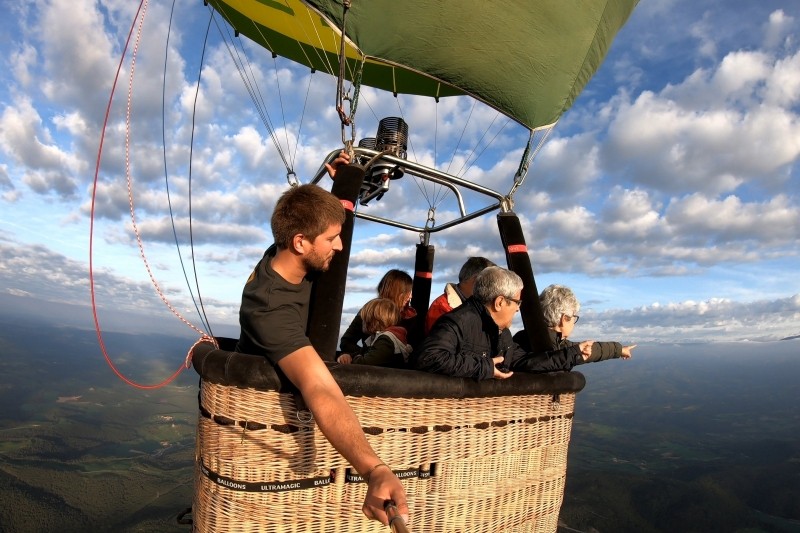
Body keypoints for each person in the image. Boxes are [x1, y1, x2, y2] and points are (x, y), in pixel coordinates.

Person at [235, 165, 408, 526]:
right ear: (300, 243)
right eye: (332, 239)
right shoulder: (268, 308)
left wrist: (341, 182)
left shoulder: (285, 249)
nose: (340, 246)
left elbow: (299, 212)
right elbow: (319, 387)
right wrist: (374, 469)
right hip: (266, 434)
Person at [513, 284, 636, 363]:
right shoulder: (555, 349)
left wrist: (619, 349)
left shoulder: (522, 337)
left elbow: (594, 350)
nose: (574, 323)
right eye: (574, 317)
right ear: (564, 319)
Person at [338, 269, 416, 361]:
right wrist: (361, 355)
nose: (410, 296)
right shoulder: (370, 311)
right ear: (394, 292)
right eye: (406, 292)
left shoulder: (411, 317)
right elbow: (347, 341)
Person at [425, 256, 496, 334]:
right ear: (476, 280)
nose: (492, 288)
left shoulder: (479, 306)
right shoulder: (441, 308)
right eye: (490, 282)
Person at [337, 298, 412, 368]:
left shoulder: (386, 341)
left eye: (364, 319)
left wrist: (351, 360)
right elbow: (361, 353)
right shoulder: (373, 338)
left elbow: (365, 364)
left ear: (372, 322)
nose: (362, 322)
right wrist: (347, 356)